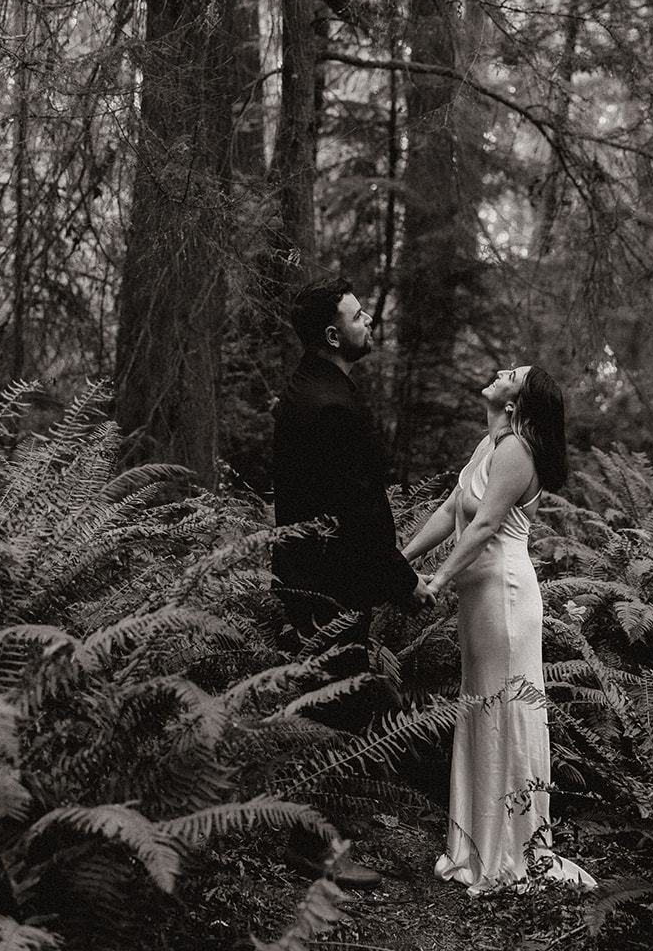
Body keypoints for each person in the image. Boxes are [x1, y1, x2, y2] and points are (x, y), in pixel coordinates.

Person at [403, 364, 596, 895]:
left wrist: (438, 580)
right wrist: (401, 562)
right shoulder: (491, 443)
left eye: (512, 373)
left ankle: (512, 852)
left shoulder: (517, 450)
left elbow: (486, 524)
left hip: (505, 597)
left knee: (502, 709)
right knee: (481, 704)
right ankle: (478, 843)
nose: (498, 372)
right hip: (481, 596)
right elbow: (451, 510)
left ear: (519, 400)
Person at [272, 274, 434, 886]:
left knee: (328, 702)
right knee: (334, 710)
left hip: (307, 574)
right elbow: (359, 509)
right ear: (333, 333)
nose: (370, 321)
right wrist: (403, 581)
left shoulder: (303, 389)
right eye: (360, 315)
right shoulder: (331, 404)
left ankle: (320, 833)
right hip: (332, 582)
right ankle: (314, 849)